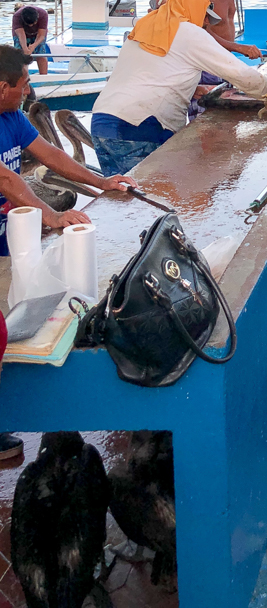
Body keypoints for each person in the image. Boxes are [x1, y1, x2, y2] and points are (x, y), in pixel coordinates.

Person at [0, 46, 136, 461]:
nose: (28, 90)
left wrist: (103, 181)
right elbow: (7, 179)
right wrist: (51, 217)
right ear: (1, 86)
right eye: (23, 85)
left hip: (8, 228)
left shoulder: (12, 116)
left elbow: (52, 155)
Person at [90, 0, 267, 176]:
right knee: (151, 204)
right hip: (140, 127)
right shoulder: (188, 31)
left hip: (101, 123)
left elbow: (143, 73)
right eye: (205, 17)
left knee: (121, 202)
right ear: (192, 10)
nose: (206, 23)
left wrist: (190, 87)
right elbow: (244, 76)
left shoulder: (146, 26)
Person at [11, 5, 50, 75]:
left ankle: (44, 75)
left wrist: (33, 46)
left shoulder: (43, 14)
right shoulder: (16, 16)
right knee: (20, 55)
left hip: (38, 33)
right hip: (21, 34)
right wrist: (25, 49)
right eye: (28, 24)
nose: (31, 26)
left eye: (33, 23)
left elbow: (41, 35)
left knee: (41, 53)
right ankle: (22, 76)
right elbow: (21, 35)